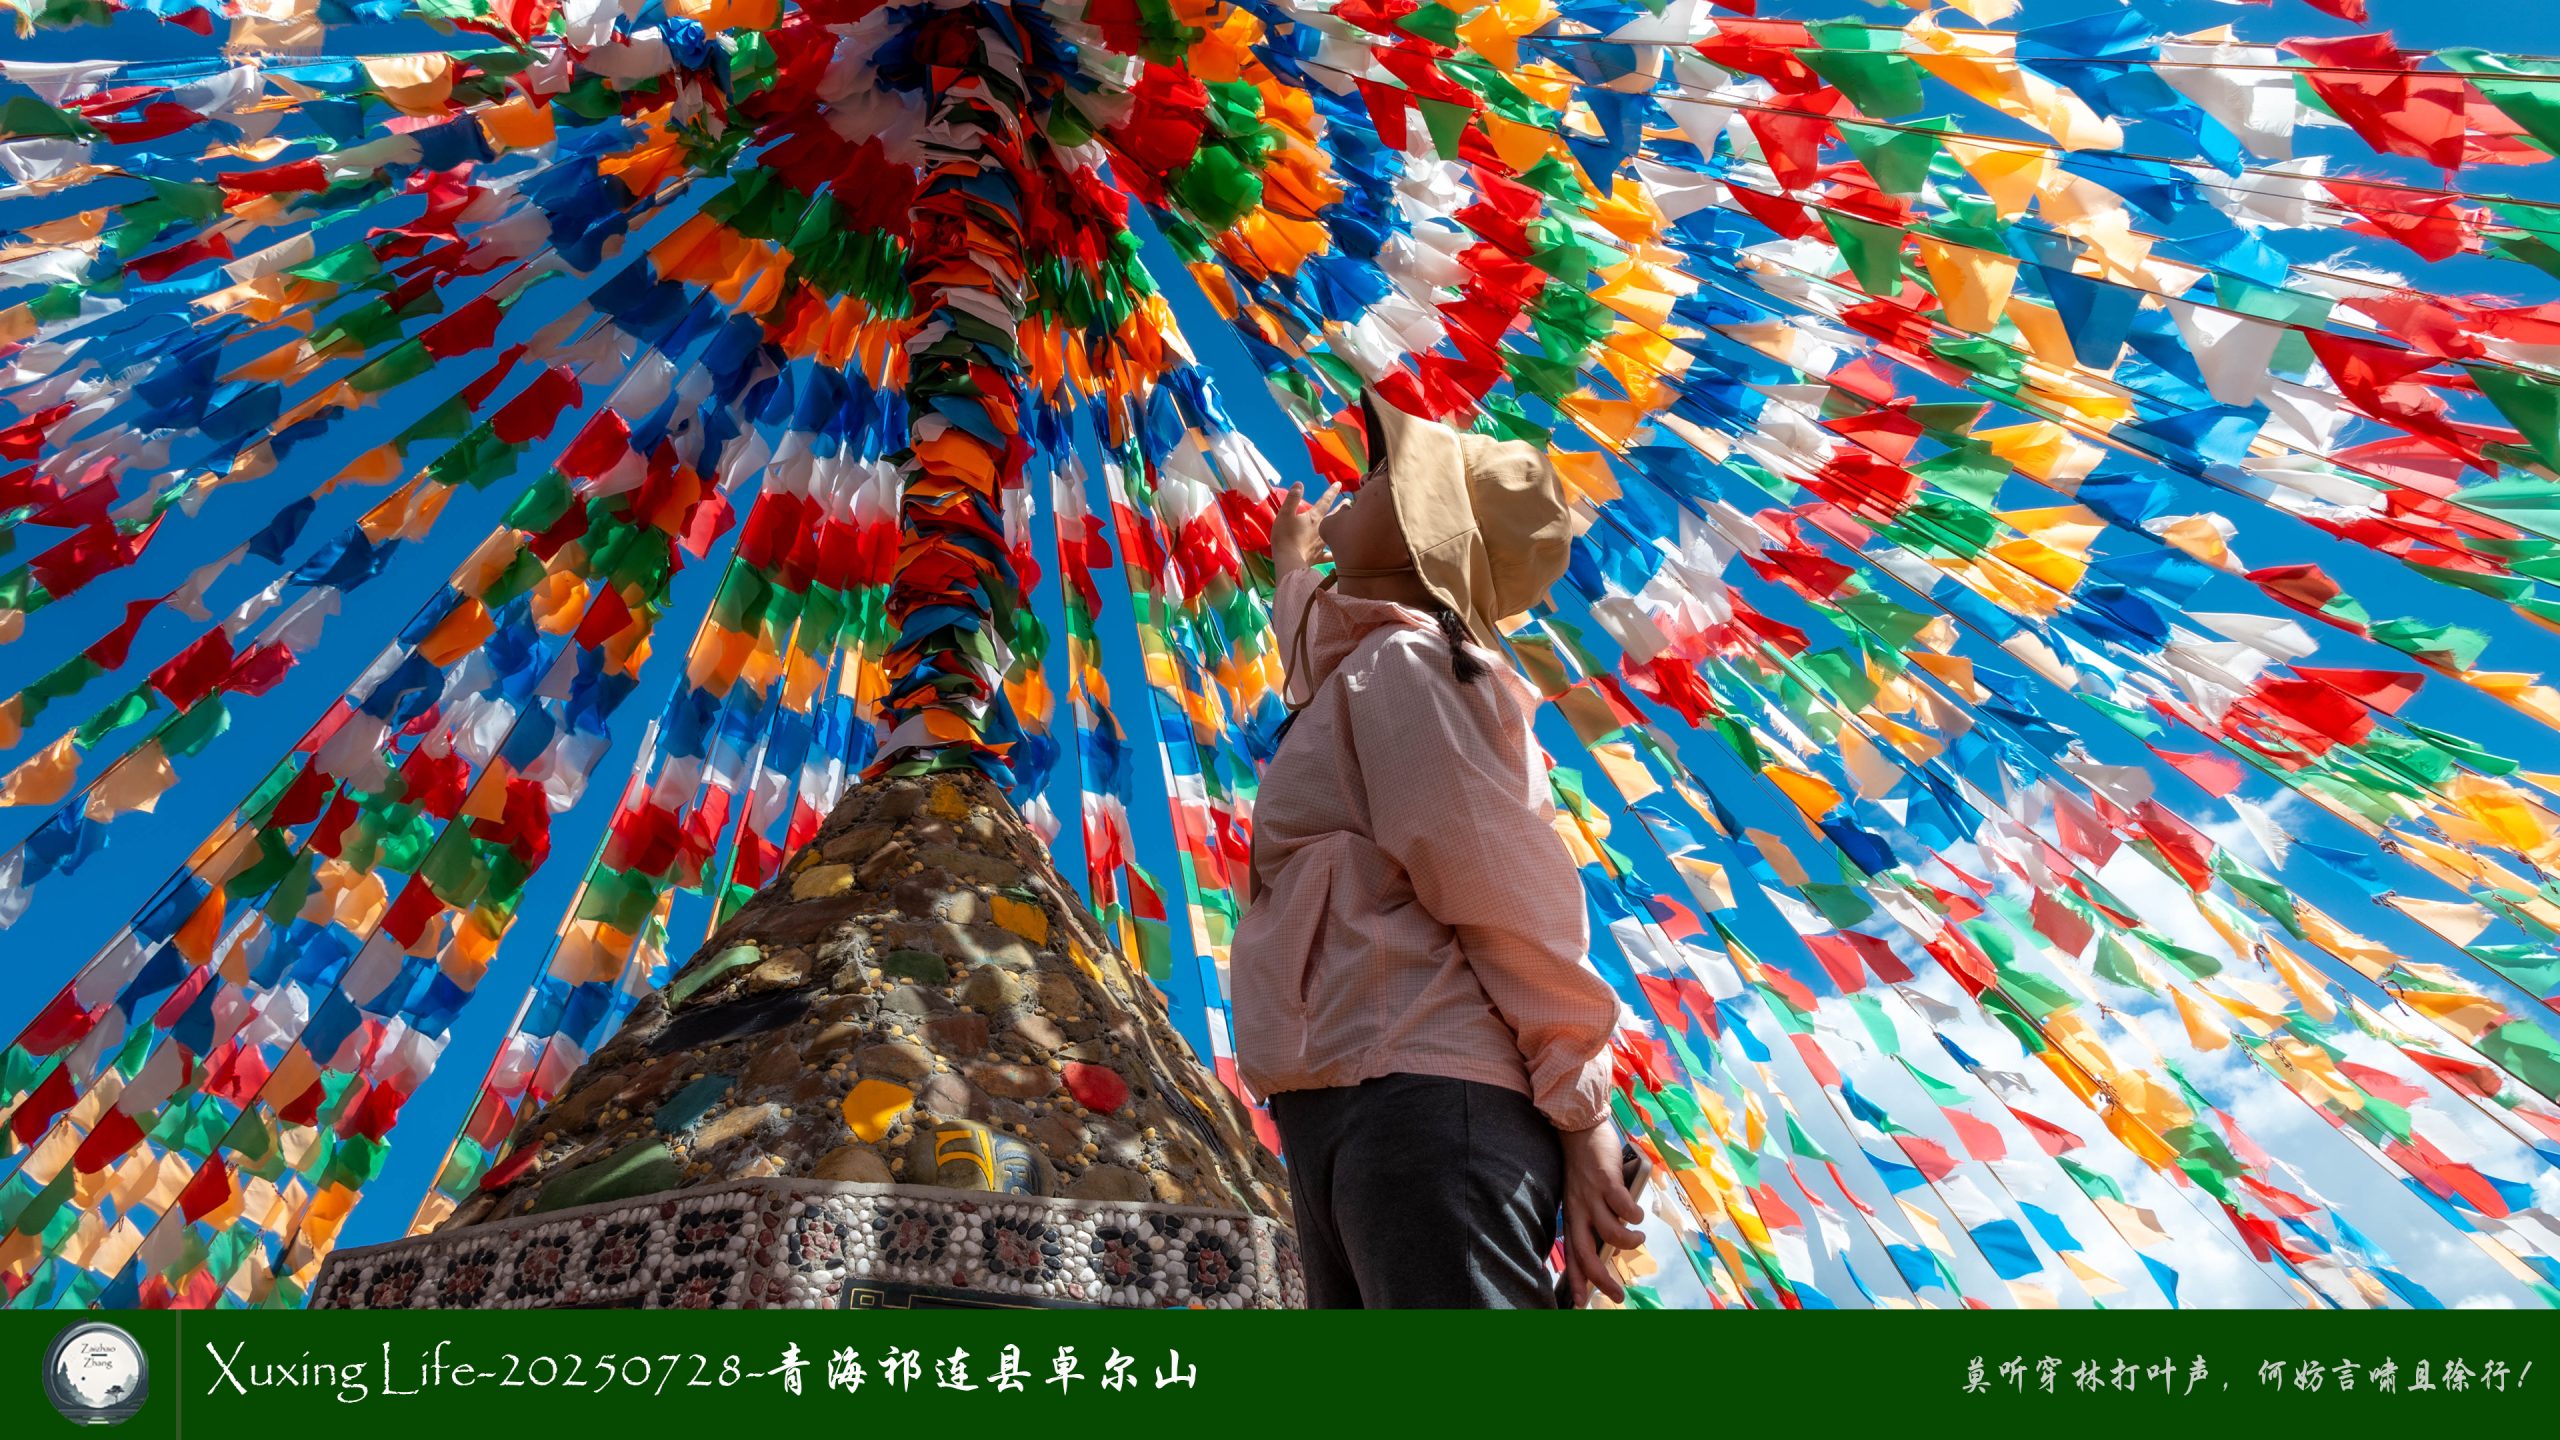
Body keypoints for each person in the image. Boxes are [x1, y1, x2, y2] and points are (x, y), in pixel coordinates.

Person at [1232, 389, 1645, 1309]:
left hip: (1425, 1097)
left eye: (1388, 475)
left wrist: (1583, 1115)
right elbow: (1318, 643)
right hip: (1351, 1096)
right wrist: (1293, 564)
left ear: (1425, 537)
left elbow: (1501, 885)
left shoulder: (1410, 669)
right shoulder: (1367, 668)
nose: (1364, 474)